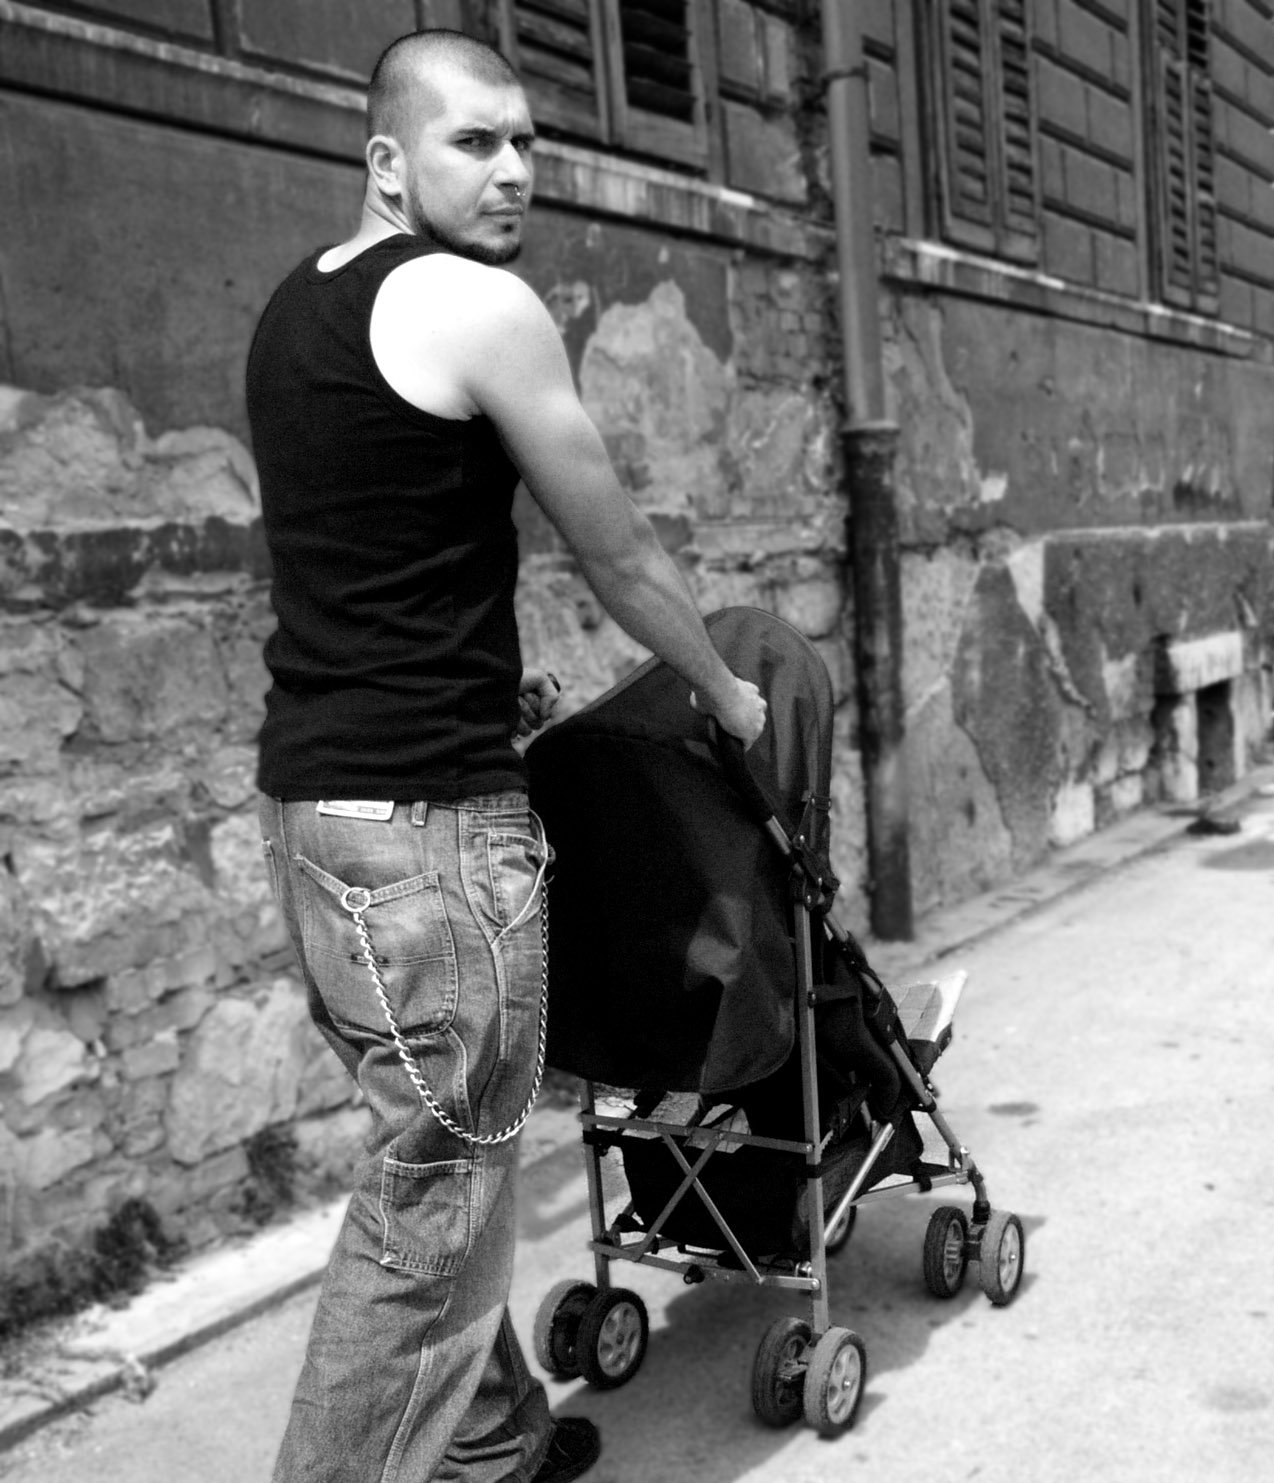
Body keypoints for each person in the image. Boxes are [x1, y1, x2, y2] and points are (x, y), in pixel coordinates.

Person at [246, 28, 767, 1483]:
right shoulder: (478, 305)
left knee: (435, 1168)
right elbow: (621, 553)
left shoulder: (296, 310)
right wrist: (727, 693)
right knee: (429, 1215)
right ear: (387, 159)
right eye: (475, 142)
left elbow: (371, 559)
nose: (516, 169)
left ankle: (495, 1450)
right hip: (425, 838)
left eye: (527, 141)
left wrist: (487, 678)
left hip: (313, 815)